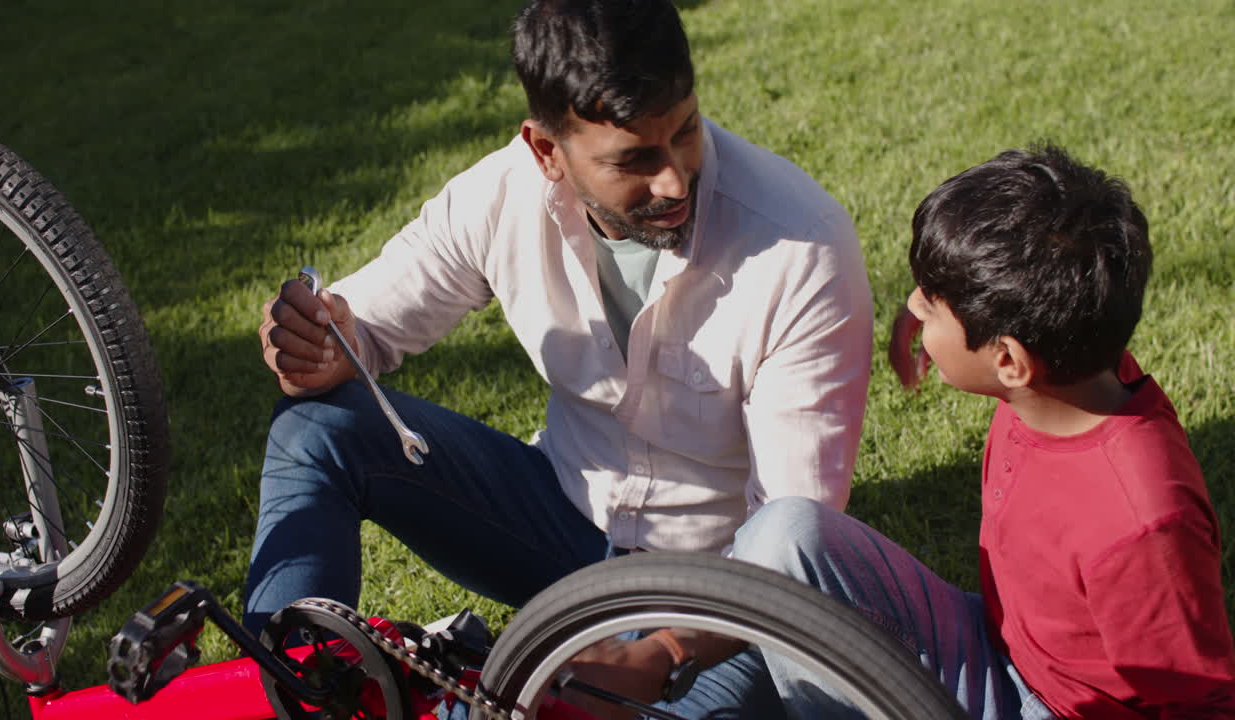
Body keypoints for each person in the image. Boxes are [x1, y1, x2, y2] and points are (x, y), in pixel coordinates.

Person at [244, 0, 872, 666]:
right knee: (315, 428)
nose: (674, 177)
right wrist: (317, 345)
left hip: (714, 592)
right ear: (546, 150)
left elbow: (793, 543)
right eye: (633, 160)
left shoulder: (801, 247)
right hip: (559, 520)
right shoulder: (499, 198)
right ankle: (299, 685)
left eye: (686, 131)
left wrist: (658, 655)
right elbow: (361, 330)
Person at [589, 145, 1235, 719]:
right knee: (786, 529)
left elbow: (1193, 701)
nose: (915, 305)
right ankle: (683, 657)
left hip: (1050, 707)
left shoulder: (1143, 525)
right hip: (998, 643)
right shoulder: (1078, 370)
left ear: (1008, 361)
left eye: (930, 302)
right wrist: (929, 315)